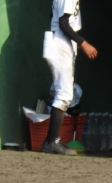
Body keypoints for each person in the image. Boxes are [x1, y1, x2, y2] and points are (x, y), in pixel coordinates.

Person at [42, 0, 98, 156]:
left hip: (62, 41)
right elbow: (63, 23)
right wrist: (83, 43)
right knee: (64, 94)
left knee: (64, 93)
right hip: (60, 43)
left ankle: (52, 140)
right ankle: (52, 142)